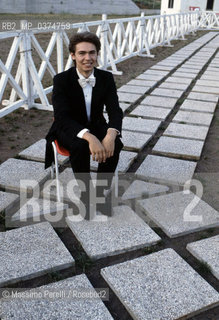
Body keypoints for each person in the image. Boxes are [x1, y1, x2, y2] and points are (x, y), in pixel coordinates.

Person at [45, 31, 123, 219]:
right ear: (73, 55)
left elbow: (115, 110)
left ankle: (100, 194)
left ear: (97, 54)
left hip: (96, 123)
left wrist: (111, 134)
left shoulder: (106, 77)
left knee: (116, 143)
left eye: (92, 53)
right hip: (69, 127)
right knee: (80, 146)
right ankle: (86, 195)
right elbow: (61, 116)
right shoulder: (61, 80)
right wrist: (89, 137)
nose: (88, 58)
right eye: (82, 53)